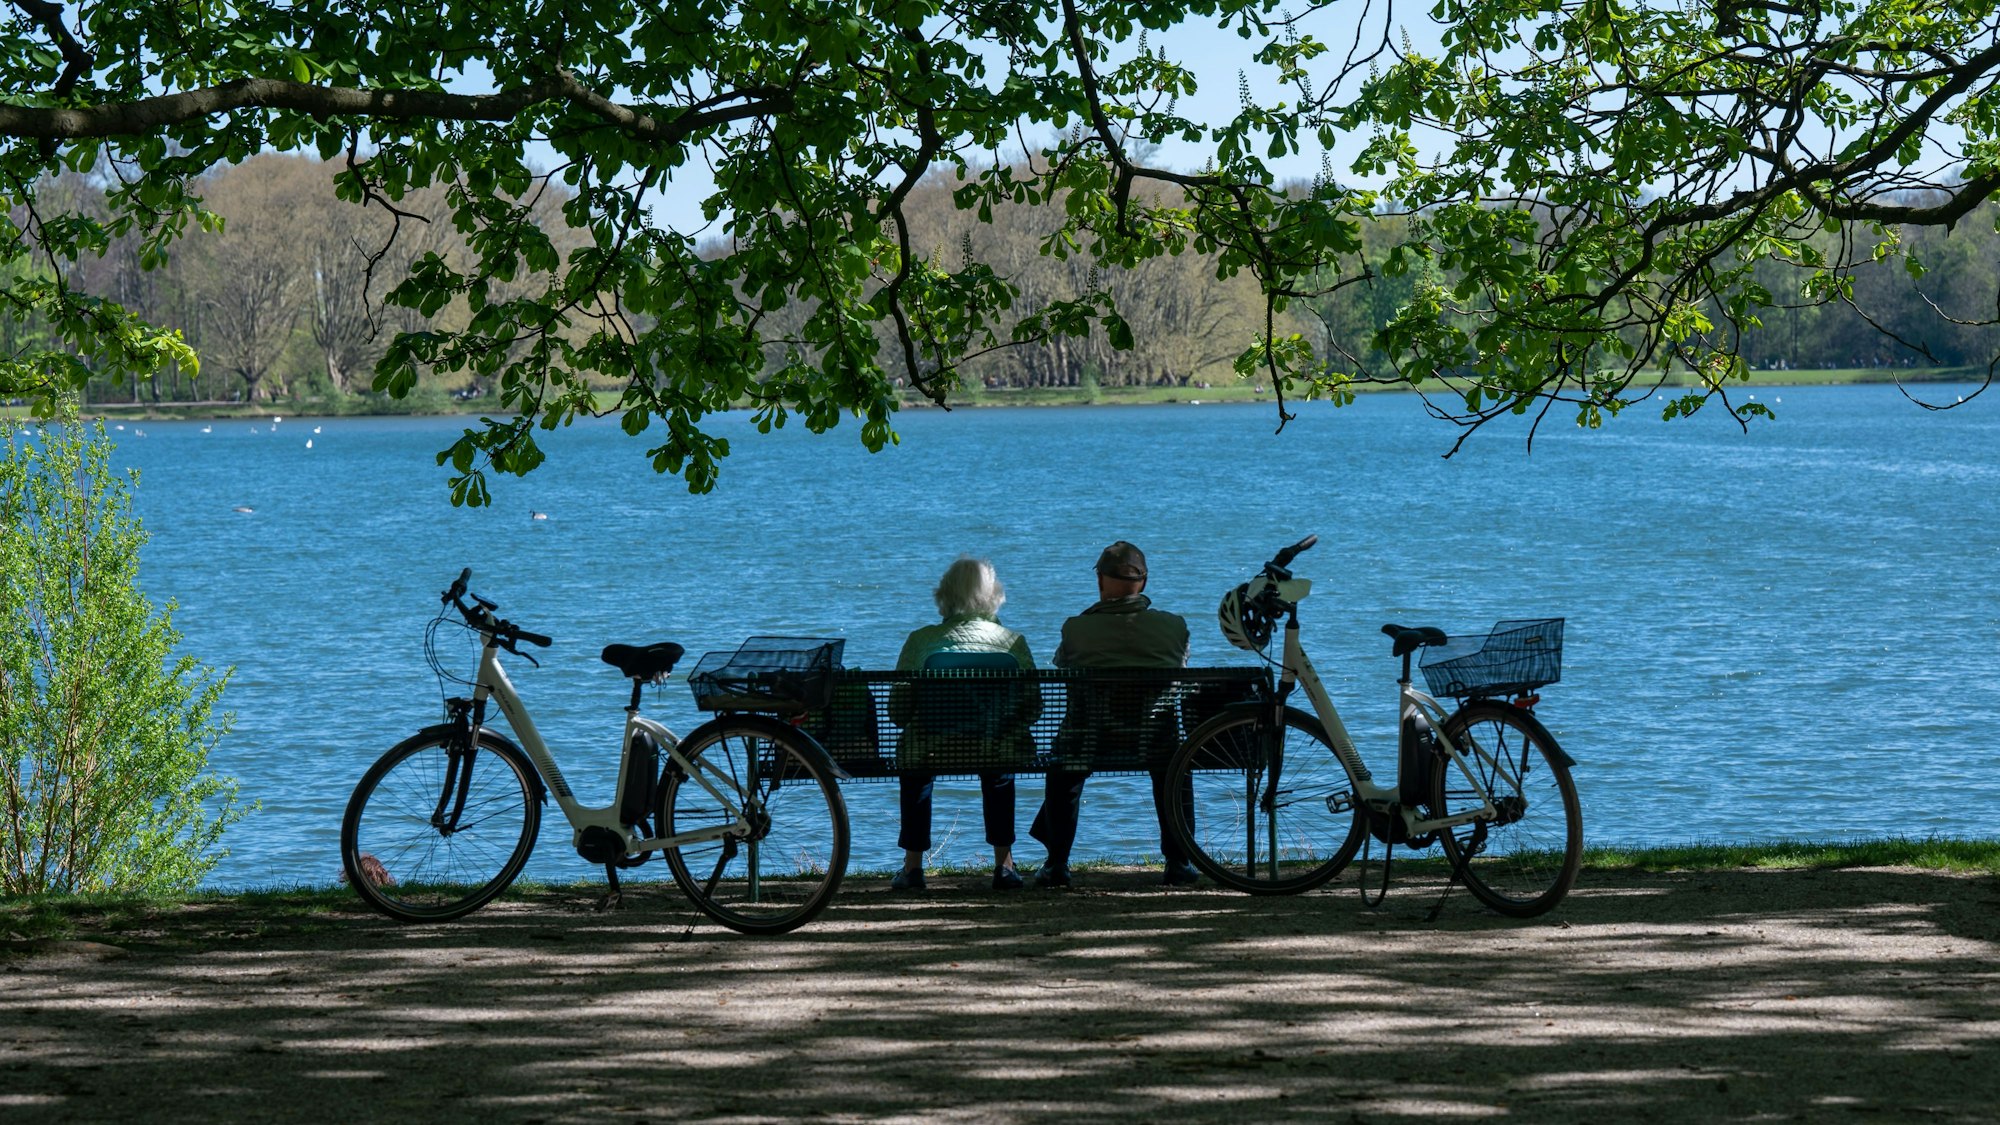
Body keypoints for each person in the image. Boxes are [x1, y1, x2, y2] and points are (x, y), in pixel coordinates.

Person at [1028, 540, 1198, 889]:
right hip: (1155, 742)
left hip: (1088, 741)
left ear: (1100, 582)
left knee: (1065, 767)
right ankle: (1178, 862)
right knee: (1174, 768)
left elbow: (1064, 666)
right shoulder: (1173, 626)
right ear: (1144, 583)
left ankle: (1057, 862)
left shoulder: (1076, 628)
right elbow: (1180, 669)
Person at [887, 556, 1035, 891]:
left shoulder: (921, 641)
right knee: (999, 764)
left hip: (931, 748)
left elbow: (897, 712)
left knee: (915, 766)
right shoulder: (1012, 642)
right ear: (993, 595)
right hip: (992, 745)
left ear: (944, 596)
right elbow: (1033, 707)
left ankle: (912, 868)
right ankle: (1005, 865)